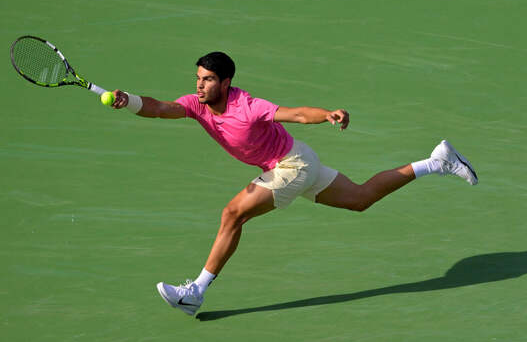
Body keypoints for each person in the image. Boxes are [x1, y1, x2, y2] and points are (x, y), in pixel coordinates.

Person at [110, 51, 478, 316]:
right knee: (361, 198)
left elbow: (297, 114)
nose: (199, 85)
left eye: (207, 79)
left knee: (233, 214)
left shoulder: (246, 106)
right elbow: (160, 108)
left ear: (226, 82)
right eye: (198, 78)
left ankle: (196, 292)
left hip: (292, 164)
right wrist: (129, 101)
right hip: (299, 161)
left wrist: (327, 114)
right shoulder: (196, 105)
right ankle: (436, 161)